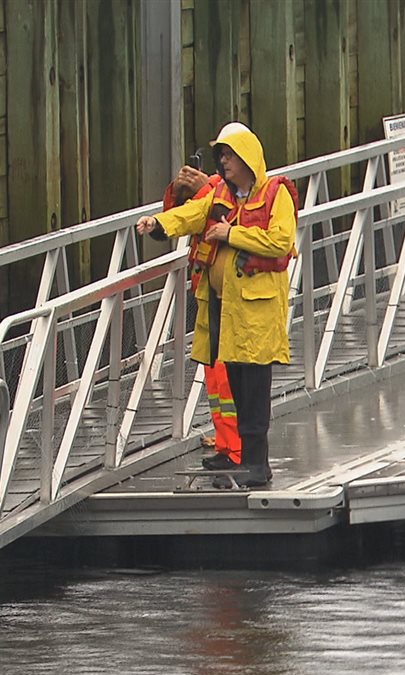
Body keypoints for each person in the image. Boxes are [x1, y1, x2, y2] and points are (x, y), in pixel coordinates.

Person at [137, 122, 298, 488]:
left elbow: (281, 242)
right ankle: (243, 457)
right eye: (221, 155)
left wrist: (231, 234)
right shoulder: (222, 195)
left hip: (257, 312)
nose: (222, 162)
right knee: (237, 387)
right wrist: (158, 224)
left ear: (246, 158)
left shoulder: (276, 194)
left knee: (254, 390)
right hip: (225, 309)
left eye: (228, 155)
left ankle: (257, 464)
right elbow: (191, 215)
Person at [158, 164, 242, 472]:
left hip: (235, 298)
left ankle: (236, 448)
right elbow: (180, 216)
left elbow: (227, 212)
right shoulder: (214, 189)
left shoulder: (241, 191)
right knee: (215, 377)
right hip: (208, 293)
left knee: (228, 378)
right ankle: (226, 444)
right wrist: (178, 191)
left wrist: (204, 187)